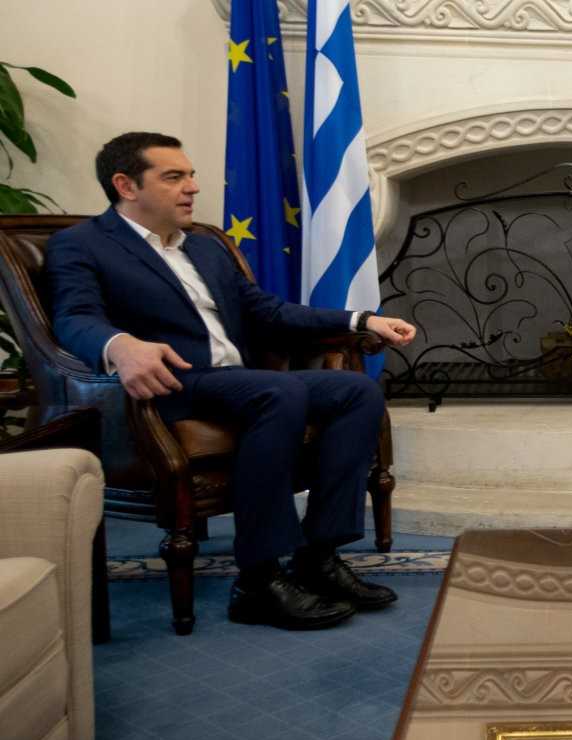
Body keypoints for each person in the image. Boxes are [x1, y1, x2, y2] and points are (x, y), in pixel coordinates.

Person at [46, 131, 418, 631]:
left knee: (357, 390)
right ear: (126, 185)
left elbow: (268, 312)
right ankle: (258, 581)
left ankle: (318, 556)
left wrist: (361, 320)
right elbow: (74, 318)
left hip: (237, 384)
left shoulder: (205, 246)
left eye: (191, 175)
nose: (192, 187)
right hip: (172, 385)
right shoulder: (82, 245)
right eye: (173, 177)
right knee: (280, 389)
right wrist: (121, 345)